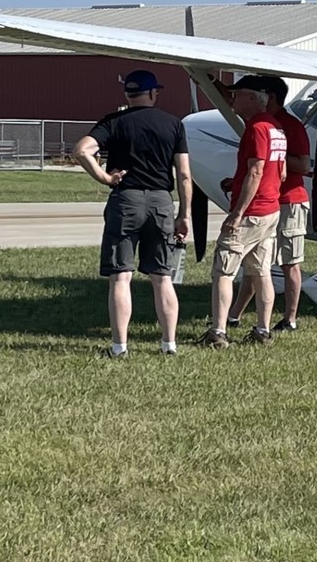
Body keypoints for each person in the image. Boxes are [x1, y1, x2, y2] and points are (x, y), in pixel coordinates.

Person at [73, 69, 192, 358]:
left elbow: (81, 150)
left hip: (126, 200)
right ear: (153, 93)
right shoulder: (173, 124)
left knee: (121, 276)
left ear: (127, 93)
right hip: (161, 202)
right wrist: (184, 214)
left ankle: (119, 347)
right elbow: (184, 175)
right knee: (162, 276)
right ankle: (168, 344)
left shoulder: (114, 122)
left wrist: (105, 178)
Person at [199, 77, 287, 347]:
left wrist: (237, 213)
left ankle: (219, 331)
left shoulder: (256, 128)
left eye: (237, 95)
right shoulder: (276, 128)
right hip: (271, 208)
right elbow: (281, 172)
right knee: (261, 272)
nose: (232, 100)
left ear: (252, 98)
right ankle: (262, 330)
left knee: (223, 271)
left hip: (252, 211)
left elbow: (256, 170)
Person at [261, 77, 312, 331]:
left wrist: (275, 155)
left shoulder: (290, 125)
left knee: (290, 261)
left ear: (269, 96)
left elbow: (304, 165)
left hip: (290, 201)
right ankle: (239, 313)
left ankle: (290, 318)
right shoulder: (264, 123)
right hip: (269, 201)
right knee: (259, 260)